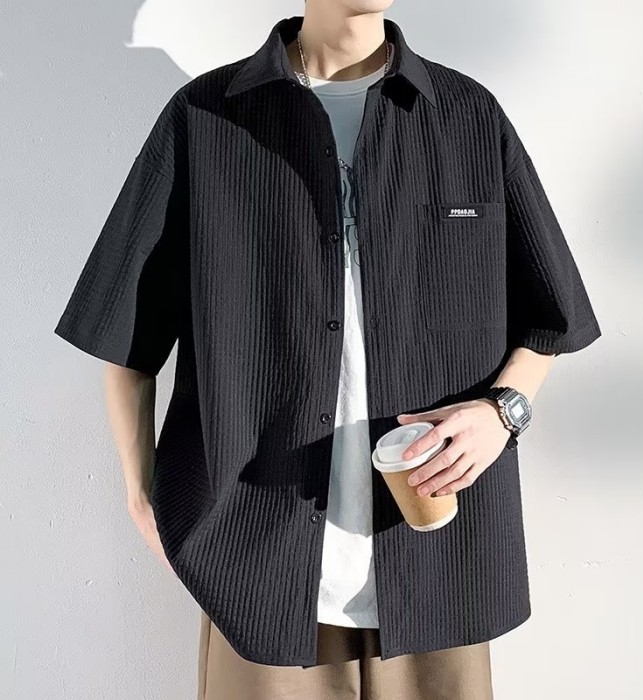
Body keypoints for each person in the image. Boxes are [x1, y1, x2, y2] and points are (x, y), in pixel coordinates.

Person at [54, 2, 602, 699]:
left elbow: (550, 317)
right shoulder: (206, 117)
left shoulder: (467, 116)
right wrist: (140, 497)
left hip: (436, 565)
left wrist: (503, 414)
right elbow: (123, 328)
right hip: (258, 572)